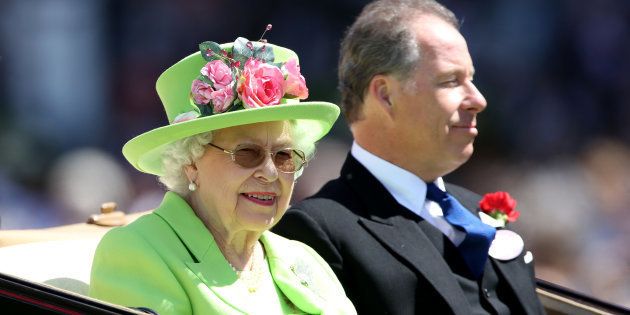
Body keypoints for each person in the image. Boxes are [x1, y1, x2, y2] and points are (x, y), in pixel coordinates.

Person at [273, 1, 546, 314]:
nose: (478, 100)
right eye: (451, 81)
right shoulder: (319, 229)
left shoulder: (476, 211)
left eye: (471, 79)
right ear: (385, 95)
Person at [89, 35, 357, 315]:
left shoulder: (302, 258)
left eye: (283, 156)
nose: (269, 171)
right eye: (247, 153)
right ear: (190, 162)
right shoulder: (136, 252)